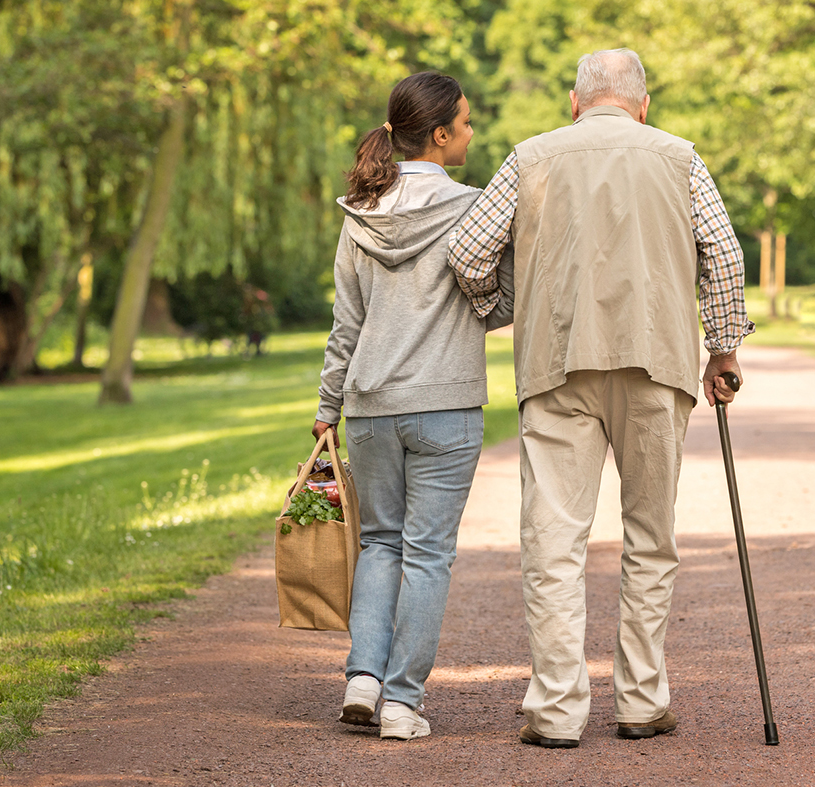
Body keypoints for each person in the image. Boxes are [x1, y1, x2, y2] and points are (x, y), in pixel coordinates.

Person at [447, 48, 753, 748]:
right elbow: (725, 255)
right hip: (657, 362)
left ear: (575, 102)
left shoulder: (531, 156)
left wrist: (504, 304)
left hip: (557, 363)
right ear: (643, 105)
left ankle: (556, 710)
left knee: (553, 540)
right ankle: (643, 700)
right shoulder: (679, 156)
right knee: (651, 536)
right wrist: (725, 346)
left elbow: (467, 251)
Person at [313, 71, 512, 741]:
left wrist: (327, 406)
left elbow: (347, 325)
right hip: (447, 406)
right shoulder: (475, 208)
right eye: (466, 120)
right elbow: (502, 302)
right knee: (427, 555)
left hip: (370, 406)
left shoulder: (359, 212)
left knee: (379, 544)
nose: (472, 131)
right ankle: (402, 703)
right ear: (439, 135)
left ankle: (362, 678)